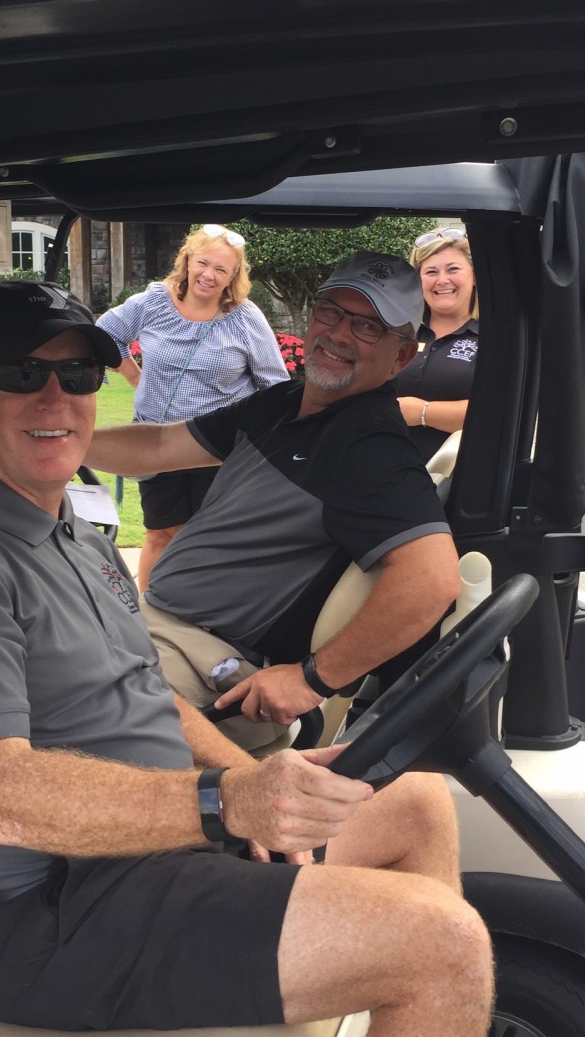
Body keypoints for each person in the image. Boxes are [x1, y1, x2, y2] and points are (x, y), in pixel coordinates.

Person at [0, 279, 548, 1037]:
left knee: (421, 804)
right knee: (445, 943)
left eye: (79, 378)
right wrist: (224, 806)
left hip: (159, 857)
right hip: (63, 918)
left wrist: (252, 778)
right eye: (23, 375)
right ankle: (419, 1007)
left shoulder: (73, 533)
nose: (56, 399)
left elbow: (148, 697)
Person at [85, 251, 457, 753]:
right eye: (331, 312)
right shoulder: (283, 403)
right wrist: (58, 443)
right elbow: (158, 446)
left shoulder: (367, 447)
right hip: (150, 626)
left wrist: (311, 680)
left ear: (401, 356)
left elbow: (433, 579)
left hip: (203, 665)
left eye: (369, 327)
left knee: (42, 714)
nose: (340, 334)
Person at [96, 224, 289, 591]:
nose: (209, 275)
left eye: (221, 269)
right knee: (158, 534)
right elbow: (105, 333)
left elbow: (275, 385)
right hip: (154, 442)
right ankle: (150, 618)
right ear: (186, 260)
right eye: (203, 263)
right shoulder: (153, 301)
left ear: (234, 275)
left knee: (206, 538)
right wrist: (136, 377)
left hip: (216, 448)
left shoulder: (245, 318)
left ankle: (197, 614)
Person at [395, 226, 479, 463]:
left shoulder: (494, 338)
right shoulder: (397, 333)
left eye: (453, 269)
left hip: (458, 480)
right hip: (383, 471)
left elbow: (497, 413)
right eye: (431, 272)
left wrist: (422, 413)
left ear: (474, 277)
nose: (442, 280)